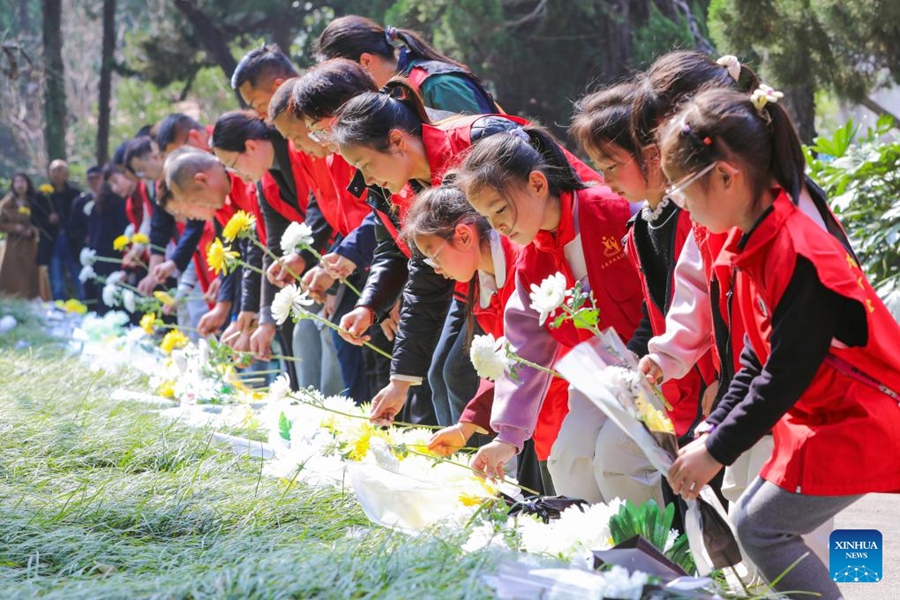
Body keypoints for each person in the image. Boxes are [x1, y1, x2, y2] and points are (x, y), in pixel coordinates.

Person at [661, 85, 900, 600]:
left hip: (861, 417)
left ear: (725, 177)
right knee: (756, 521)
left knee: (761, 527)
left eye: (683, 191)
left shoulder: (797, 248)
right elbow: (757, 352)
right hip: (830, 414)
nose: (683, 208)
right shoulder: (755, 234)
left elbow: (785, 371)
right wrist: (715, 427)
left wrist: (717, 447)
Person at [454, 128, 658, 507]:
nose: (496, 226)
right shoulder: (531, 258)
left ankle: (654, 556)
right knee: (567, 461)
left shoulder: (616, 211)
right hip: (597, 379)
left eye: (499, 209)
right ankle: (598, 555)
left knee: (618, 459)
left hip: (656, 371)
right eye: (486, 216)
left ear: (536, 183)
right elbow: (523, 346)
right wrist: (507, 437)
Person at [406, 186, 555, 494]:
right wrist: (467, 426)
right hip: (534, 405)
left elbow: (523, 351)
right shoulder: (482, 284)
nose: (437, 271)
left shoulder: (521, 261)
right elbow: (505, 357)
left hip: (555, 396)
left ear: (463, 236)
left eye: (434, 258)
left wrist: (502, 435)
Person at [314, 15, 498, 114]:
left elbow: (489, 152)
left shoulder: (437, 85)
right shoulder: (393, 94)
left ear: (366, 61)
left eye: (347, 76)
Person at [0, 173, 42, 298]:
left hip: (30, 246)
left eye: (22, 181)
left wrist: (32, 230)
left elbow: (42, 223)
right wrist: (14, 228)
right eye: (17, 182)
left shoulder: (35, 202)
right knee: (12, 275)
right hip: (13, 247)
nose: (20, 185)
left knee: (31, 275)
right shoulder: (7, 203)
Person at [46, 159, 83, 300]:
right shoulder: (44, 195)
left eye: (60, 170)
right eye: (53, 170)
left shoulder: (75, 194)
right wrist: (49, 221)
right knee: (56, 278)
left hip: (72, 241)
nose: (56, 174)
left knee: (78, 275)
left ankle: (85, 303)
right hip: (53, 241)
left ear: (66, 174)